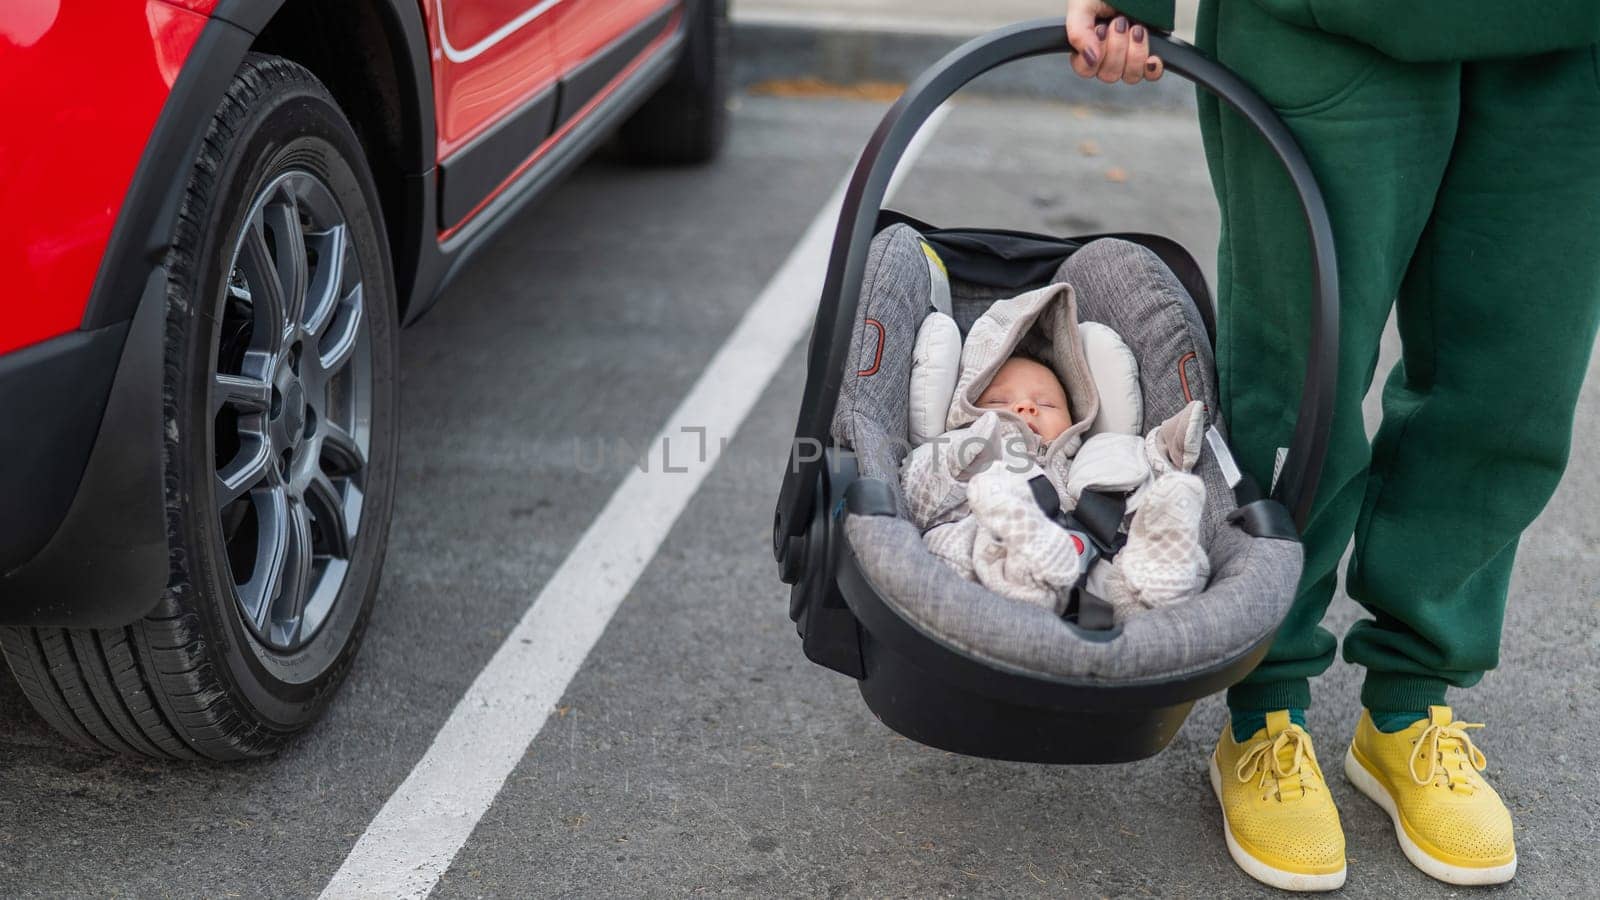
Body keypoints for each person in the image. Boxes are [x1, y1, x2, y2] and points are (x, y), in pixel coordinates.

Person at [1062, 0, 1600, 890]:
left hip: (1563, 32)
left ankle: (1408, 706)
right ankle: (1264, 709)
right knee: (1296, 381)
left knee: (1512, 391)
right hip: (1328, 22)